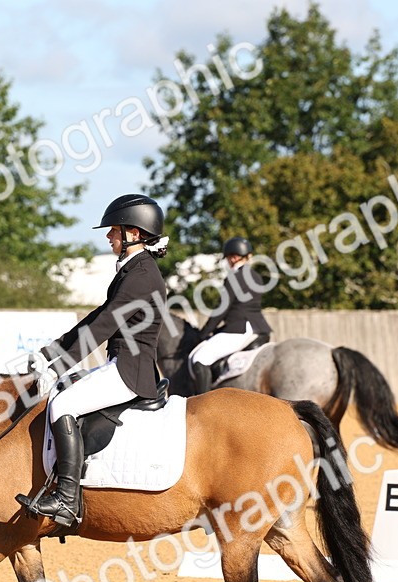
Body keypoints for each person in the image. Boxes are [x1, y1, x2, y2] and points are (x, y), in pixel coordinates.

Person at [16, 194, 169, 528]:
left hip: (129, 372)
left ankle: (66, 498)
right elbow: (96, 318)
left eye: (114, 230)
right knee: (62, 394)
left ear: (135, 232)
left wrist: (57, 366)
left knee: (63, 404)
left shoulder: (141, 276)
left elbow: (103, 327)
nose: (108, 236)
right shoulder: (135, 270)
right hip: (122, 364)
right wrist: (48, 355)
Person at [187, 236, 272, 395]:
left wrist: (204, 333)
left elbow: (222, 309)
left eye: (230, 257)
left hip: (239, 329)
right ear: (248, 256)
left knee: (199, 359)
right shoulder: (256, 276)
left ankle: (203, 403)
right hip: (258, 327)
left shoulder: (234, 277)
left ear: (230, 258)